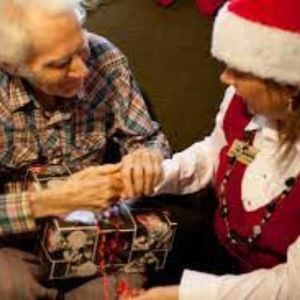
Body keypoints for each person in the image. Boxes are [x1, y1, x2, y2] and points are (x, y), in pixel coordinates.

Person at [121, 0, 300, 298]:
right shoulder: (239, 101)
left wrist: (177, 295)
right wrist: (157, 174)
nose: (225, 78)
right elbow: (213, 155)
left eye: (240, 71)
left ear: (289, 86)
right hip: (214, 255)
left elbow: (290, 286)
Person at [0, 0, 170, 298]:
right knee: (9, 285)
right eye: (60, 64)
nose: (82, 71)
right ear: (11, 65)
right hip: (14, 243)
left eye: (81, 48)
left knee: (122, 287)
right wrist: (48, 202)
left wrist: (146, 156)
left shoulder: (106, 58)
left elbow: (147, 139)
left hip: (98, 230)